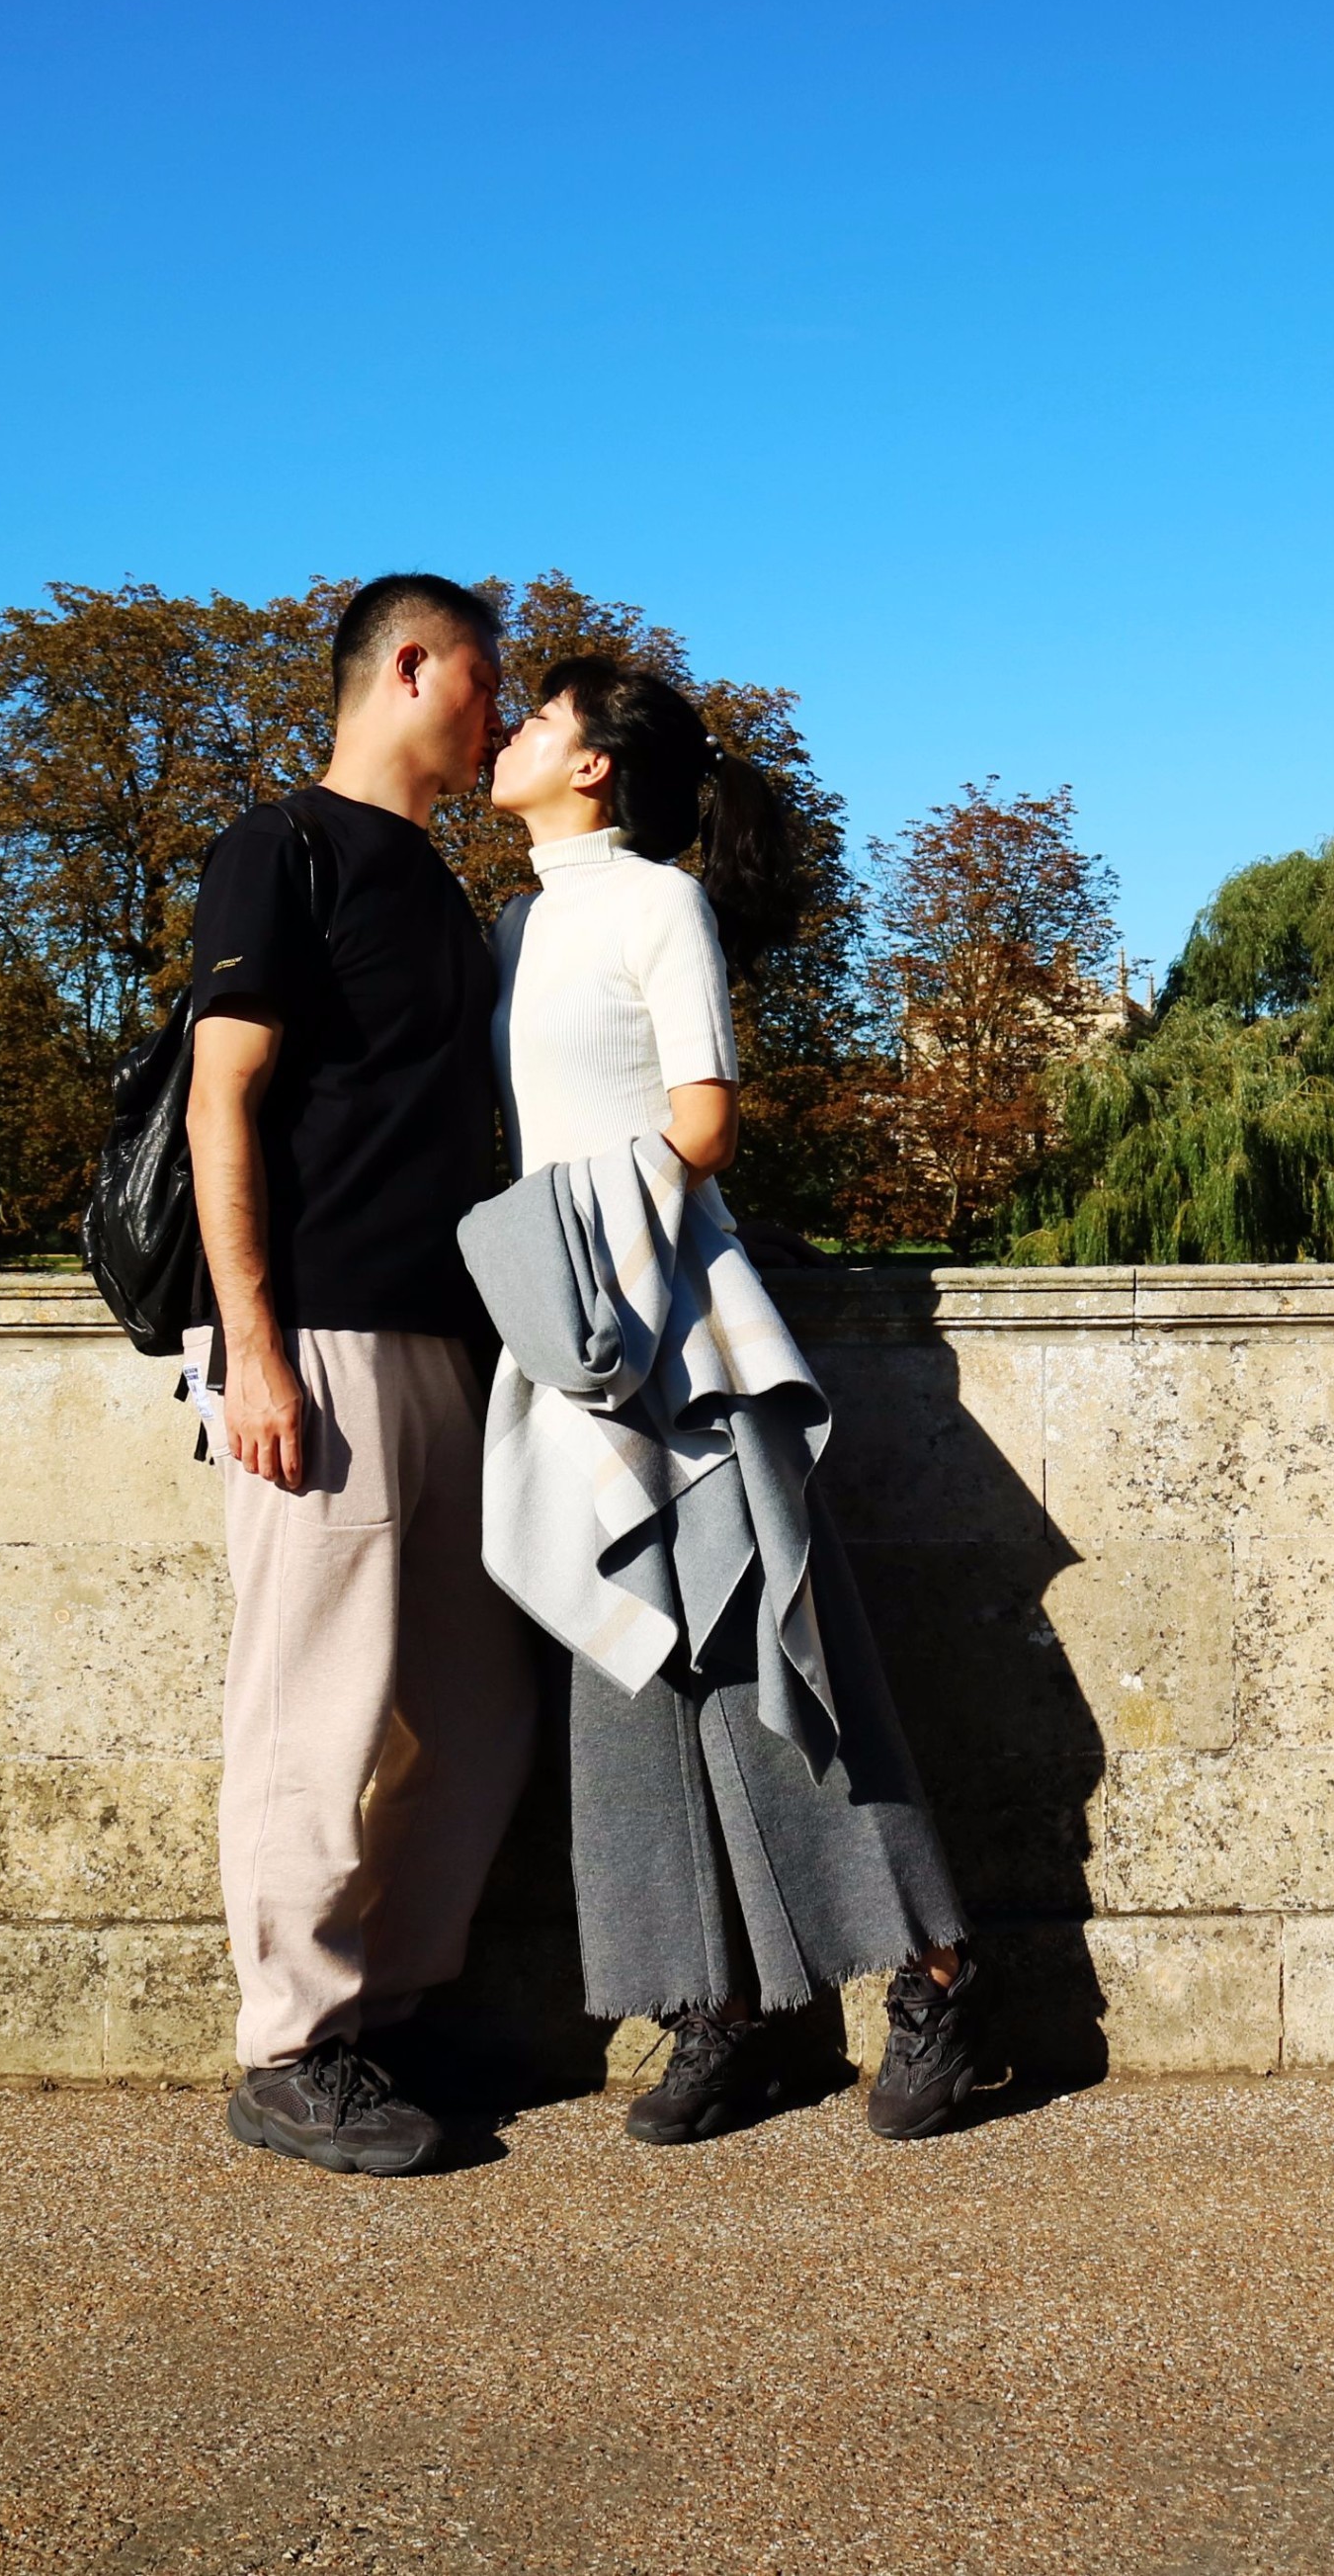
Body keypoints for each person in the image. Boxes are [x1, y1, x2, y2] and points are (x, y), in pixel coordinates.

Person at [472, 653, 991, 2144]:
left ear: (591, 767)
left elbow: (702, 1120)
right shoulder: (514, 925)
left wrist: (574, 1253)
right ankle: (726, 2012)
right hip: (571, 1335)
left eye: (537, 719)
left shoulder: (655, 902)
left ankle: (944, 1977)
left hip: (677, 1332)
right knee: (628, 1669)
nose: (509, 732)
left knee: (780, 1658)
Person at [183, 574, 534, 2177]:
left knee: (473, 1714)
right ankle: (290, 2047)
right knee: (312, 1709)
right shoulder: (285, 850)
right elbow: (221, 1107)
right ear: (411, 665)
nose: (502, 709)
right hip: (315, 1338)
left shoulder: (439, 891)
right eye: (486, 678)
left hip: (444, 1340)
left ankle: (382, 2012)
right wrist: (253, 1354)